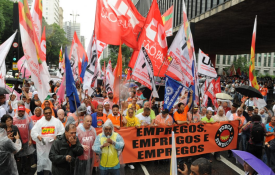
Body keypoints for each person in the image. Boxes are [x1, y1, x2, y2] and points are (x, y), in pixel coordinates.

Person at [31, 107, 65, 175]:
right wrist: (38, 136)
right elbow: (33, 132)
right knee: (42, 163)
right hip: (42, 148)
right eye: (46, 113)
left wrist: (58, 136)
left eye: (50, 113)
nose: (48, 114)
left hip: (53, 146)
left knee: (52, 164)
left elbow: (62, 131)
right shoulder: (40, 122)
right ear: (44, 114)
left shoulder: (56, 121)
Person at [13, 102, 35, 174]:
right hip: (16, 141)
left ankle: (25, 169)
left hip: (26, 141)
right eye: (19, 111)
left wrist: (30, 140)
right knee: (17, 157)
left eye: (22, 111)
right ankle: (18, 170)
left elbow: (31, 129)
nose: (21, 112)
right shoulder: (13, 119)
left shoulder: (28, 119)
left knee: (25, 156)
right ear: (17, 111)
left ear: (24, 111)